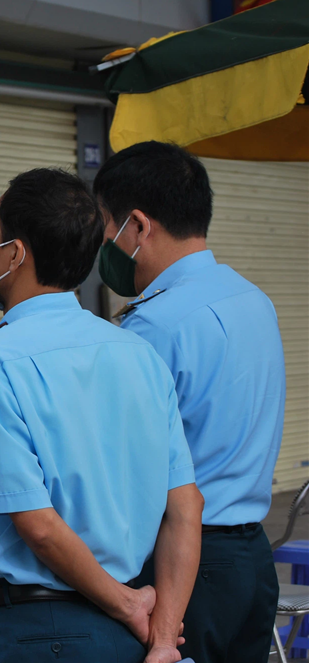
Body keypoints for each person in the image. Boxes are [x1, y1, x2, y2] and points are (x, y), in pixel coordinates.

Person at [0, 168, 204, 663]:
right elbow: (185, 507)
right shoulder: (138, 353)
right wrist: (161, 638)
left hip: (42, 632)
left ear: (15, 254)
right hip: (130, 634)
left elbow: (40, 527)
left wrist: (130, 607)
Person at [93, 141, 286, 663]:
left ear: (138, 226)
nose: (103, 246)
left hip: (184, 564)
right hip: (251, 559)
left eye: (106, 229)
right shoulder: (254, 299)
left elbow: (121, 461)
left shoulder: (154, 325)